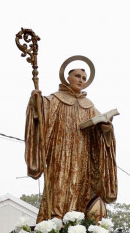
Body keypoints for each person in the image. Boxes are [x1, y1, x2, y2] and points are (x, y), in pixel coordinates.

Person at [25, 63, 117, 221]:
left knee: (78, 187)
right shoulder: (54, 99)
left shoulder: (89, 106)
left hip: (82, 156)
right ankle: (55, 220)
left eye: (84, 78)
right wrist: (36, 102)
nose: (81, 80)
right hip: (60, 152)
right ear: (67, 78)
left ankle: (75, 222)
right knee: (58, 186)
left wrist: (106, 127)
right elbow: (41, 114)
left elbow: (101, 132)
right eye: (77, 76)